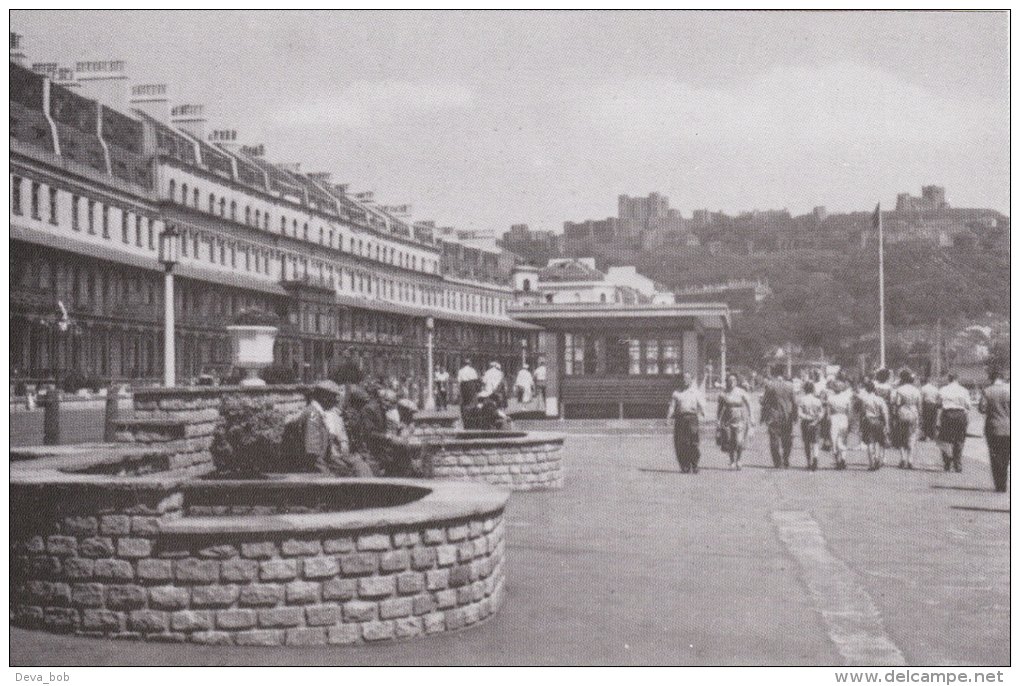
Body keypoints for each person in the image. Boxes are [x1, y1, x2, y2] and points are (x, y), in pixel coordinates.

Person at [282, 380, 372, 477]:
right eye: (334, 396)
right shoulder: (313, 415)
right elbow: (313, 455)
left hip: (319, 467)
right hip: (309, 472)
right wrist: (328, 476)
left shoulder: (317, 413)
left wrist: (343, 467)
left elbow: (325, 454)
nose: (337, 400)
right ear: (324, 397)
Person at [667, 372, 706, 474]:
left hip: (692, 418)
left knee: (693, 442)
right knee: (681, 443)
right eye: (683, 378)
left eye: (687, 378)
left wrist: (703, 415)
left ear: (691, 380)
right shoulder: (676, 393)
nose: (685, 380)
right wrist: (669, 418)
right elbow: (672, 406)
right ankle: (685, 466)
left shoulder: (696, 392)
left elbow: (702, 405)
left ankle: (695, 464)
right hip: (680, 419)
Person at [978, 369, 1010, 492]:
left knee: (995, 455)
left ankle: (999, 484)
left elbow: (982, 408)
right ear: (1002, 378)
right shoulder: (1010, 391)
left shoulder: (987, 391)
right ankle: (1005, 481)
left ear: (992, 379)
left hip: (993, 427)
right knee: (1006, 455)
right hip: (1008, 427)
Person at [760, 368, 796, 468]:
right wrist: (795, 416)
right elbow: (795, 402)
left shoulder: (770, 386)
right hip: (787, 417)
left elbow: (765, 402)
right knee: (787, 439)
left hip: (774, 416)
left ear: (774, 375)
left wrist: (763, 416)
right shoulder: (790, 386)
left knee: (774, 439)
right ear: (784, 374)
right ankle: (786, 459)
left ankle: (777, 461)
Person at [717, 373, 753, 470]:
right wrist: (718, 421)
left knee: (739, 441)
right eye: (729, 380)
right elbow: (719, 409)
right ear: (727, 382)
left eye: (733, 380)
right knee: (729, 441)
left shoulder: (741, 392)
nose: (731, 382)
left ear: (736, 382)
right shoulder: (723, 393)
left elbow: (749, 404)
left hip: (740, 419)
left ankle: (739, 460)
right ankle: (732, 461)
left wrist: (751, 417)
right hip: (727, 420)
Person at [937, 373, 971, 473]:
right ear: (957, 379)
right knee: (959, 440)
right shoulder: (964, 390)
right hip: (960, 415)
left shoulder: (943, 390)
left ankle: (947, 463)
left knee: (945, 439)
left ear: (949, 379)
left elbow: (938, 404)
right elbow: (968, 405)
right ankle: (957, 463)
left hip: (947, 414)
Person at [891, 370, 922, 469]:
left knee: (901, 436)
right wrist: (920, 417)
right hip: (913, 413)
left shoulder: (900, 390)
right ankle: (910, 459)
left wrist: (894, 415)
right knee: (912, 437)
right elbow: (919, 405)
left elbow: (897, 403)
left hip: (902, 413)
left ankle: (902, 458)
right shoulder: (916, 390)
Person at [857, 380, 889, 471]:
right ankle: (878, 458)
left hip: (868, 420)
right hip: (878, 420)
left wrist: (860, 424)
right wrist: (887, 424)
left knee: (870, 442)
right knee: (878, 441)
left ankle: (872, 463)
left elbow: (862, 412)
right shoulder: (880, 399)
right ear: (874, 389)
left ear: (866, 389)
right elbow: (885, 413)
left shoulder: (864, 399)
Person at [825, 378, 853, 470]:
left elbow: (828, 414)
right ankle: (843, 460)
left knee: (834, 440)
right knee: (843, 439)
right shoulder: (846, 397)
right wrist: (849, 422)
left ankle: (838, 461)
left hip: (834, 418)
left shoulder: (830, 398)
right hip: (844, 418)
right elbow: (849, 412)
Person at [797, 381, 825, 471]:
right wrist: (816, 419)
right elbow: (821, 413)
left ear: (805, 389)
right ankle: (815, 458)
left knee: (807, 443)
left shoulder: (802, 400)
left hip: (805, 423)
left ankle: (809, 462)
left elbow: (799, 413)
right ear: (813, 389)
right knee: (815, 442)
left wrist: (806, 417)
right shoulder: (817, 400)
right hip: (815, 423)